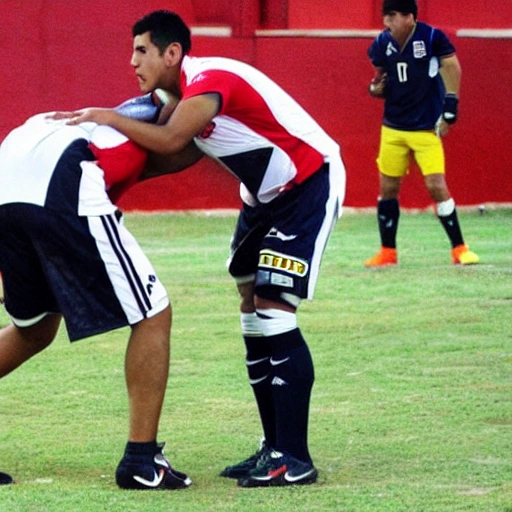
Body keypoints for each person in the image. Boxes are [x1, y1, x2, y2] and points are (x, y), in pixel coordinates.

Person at [52, 9, 346, 487]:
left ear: (173, 53)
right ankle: (272, 449)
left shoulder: (209, 80)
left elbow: (168, 140)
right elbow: (169, 154)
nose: (132, 62)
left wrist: (104, 117)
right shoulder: (178, 99)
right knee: (251, 304)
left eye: (142, 50)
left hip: (308, 181)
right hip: (262, 197)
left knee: (274, 305)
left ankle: (295, 458)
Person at [0, 94, 192, 490]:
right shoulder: (131, 139)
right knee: (152, 312)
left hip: (8, 183)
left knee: (33, 330)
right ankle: (142, 460)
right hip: (61, 180)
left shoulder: (83, 121)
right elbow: (172, 150)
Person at [364, 0, 479, 267]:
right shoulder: (383, 43)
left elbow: (452, 67)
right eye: (385, 16)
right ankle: (388, 253)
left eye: (392, 16)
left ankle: (460, 249)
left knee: (436, 185)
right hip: (393, 127)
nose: (386, 22)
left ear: (409, 17)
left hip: (425, 127)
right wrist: (375, 87)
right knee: (388, 188)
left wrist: (451, 104)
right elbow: (380, 75)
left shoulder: (430, 37)